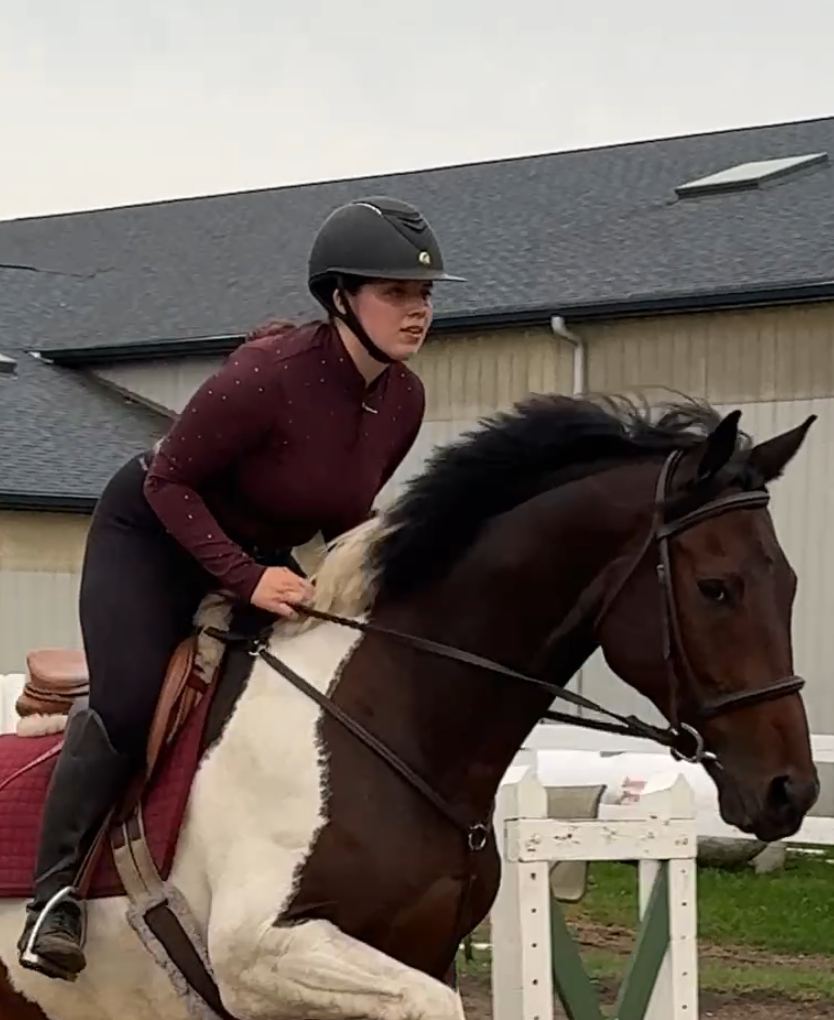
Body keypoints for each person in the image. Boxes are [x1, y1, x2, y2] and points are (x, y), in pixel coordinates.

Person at [17, 195, 464, 981]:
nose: (417, 310)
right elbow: (168, 482)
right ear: (339, 299)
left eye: (424, 294)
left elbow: (347, 516)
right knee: (125, 702)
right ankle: (53, 901)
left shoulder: (404, 400)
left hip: (257, 559)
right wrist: (247, 576)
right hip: (150, 540)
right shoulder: (267, 376)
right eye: (396, 292)